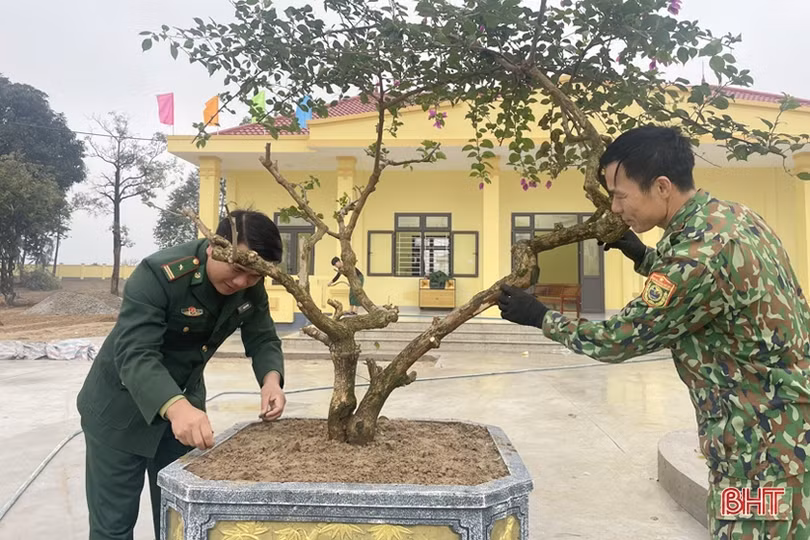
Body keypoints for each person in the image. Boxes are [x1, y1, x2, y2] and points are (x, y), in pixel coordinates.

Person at [498, 126, 810, 538]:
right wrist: (642, 255)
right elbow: (704, 291)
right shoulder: (734, 218)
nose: (614, 207)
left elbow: (618, 339)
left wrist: (540, 316)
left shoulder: (696, 257)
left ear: (661, 187)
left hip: (760, 452)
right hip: (786, 431)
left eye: (620, 195)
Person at [77, 210, 288, 540]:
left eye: (254, 276)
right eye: (237, 271)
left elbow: (262, 337)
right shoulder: (158, 275)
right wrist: (176, 408)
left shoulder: (250, 285)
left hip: (185, 413)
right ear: (213, 248)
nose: (242, 283)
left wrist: (271, 380)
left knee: (179, 521)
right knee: (112, 528)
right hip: (119, 411)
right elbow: (135, 354)